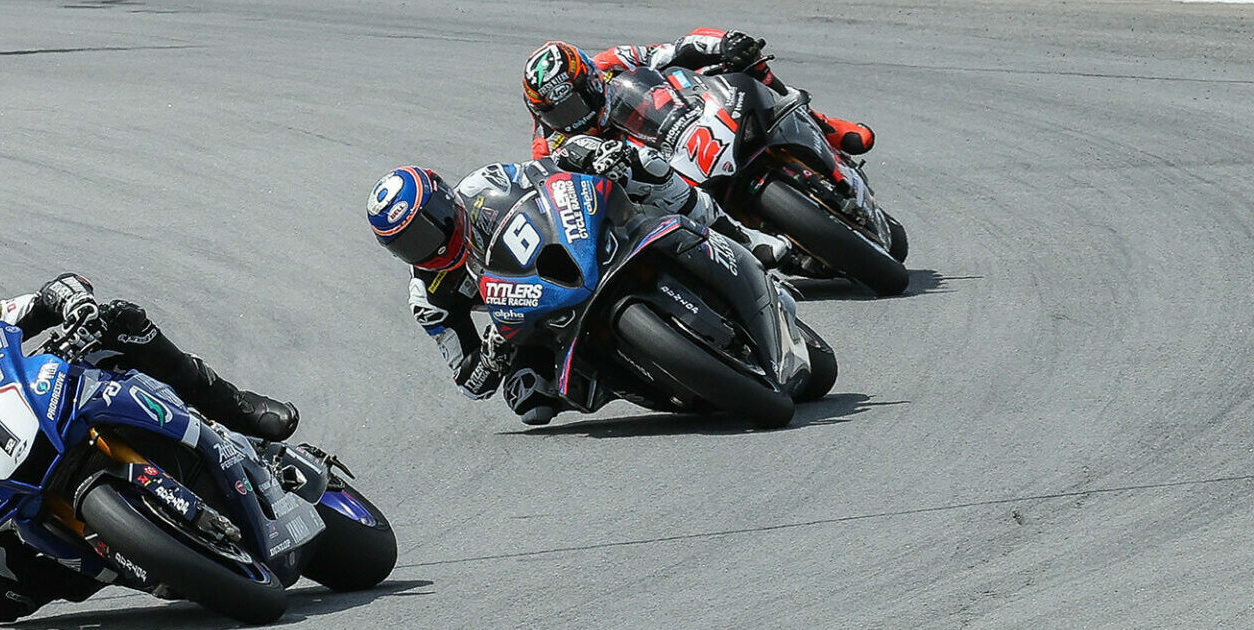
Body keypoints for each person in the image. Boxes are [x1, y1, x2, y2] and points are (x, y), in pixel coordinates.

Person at [0, 274, 299, 622]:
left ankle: (235, 408)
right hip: (4, 490)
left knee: (120, 323)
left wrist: (72, 304)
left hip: (46, 407)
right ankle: (132, 562)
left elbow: (37, 303)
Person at [366, 139, 785, 426]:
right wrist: (492, 358)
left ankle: (739, 237)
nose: (427, 245)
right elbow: (467, 379)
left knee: (642, 166)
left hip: (569, 242)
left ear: (444, 202)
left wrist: (589, 156)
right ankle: (641, 383)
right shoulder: (427, 295)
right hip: (533, 318)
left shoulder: (483, 185)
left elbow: (547, 170)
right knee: (527, 400)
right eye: (408, 244)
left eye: (427, 227)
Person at [521, 31, 875, 160]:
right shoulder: (547, 144)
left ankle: (822, 125)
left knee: (739, 58)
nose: (573, 118)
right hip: (647, 171)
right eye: (559, 113)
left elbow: (677, 48)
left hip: (680, 117)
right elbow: (552, 186)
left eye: (575, 103)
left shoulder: (610, 61)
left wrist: (724, 43)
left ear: (591, 80)